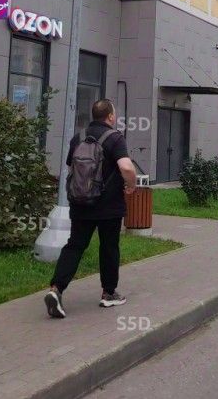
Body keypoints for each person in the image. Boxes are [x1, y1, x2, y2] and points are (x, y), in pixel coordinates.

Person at [44, 98, 137, 318]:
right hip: (109, 206)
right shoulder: (115, 137)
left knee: (75, 245)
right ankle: (108, 293)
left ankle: (56, 289)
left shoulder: (78, 137)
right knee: (109, 247)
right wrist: (131, 185)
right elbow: (126, 167)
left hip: (80, 203)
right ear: (110, 116)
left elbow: (71, 168)